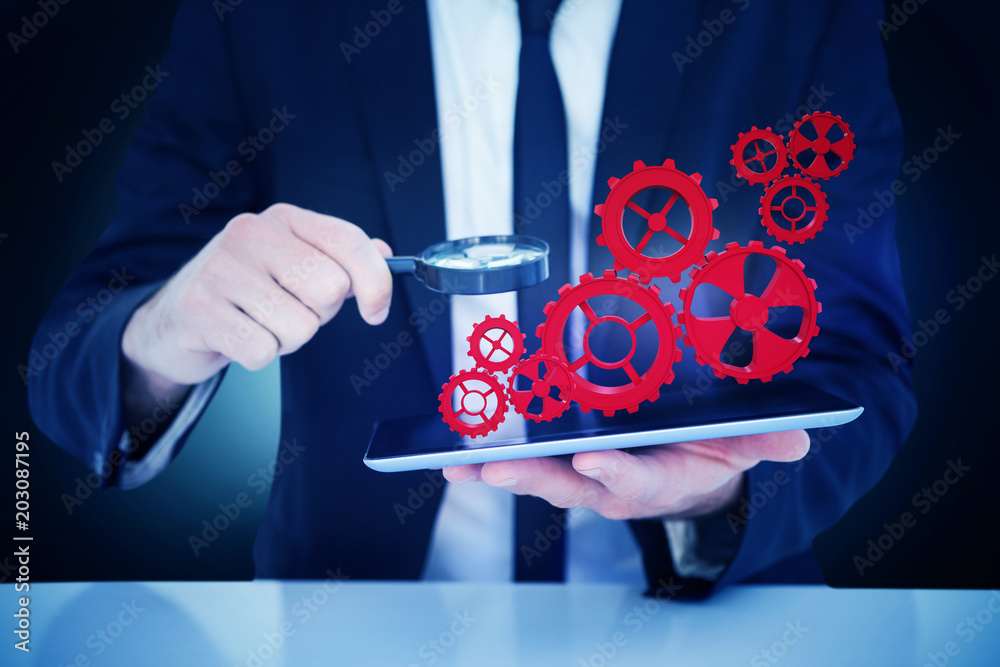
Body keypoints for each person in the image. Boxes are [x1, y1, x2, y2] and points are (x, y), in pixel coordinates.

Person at [28, 0, 915, 596]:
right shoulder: (264, 17)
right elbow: (77, 359)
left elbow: (863, 363)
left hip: (711, 619)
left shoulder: (797, 15)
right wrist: (169, 330)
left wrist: (715, 500)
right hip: (356, 622)